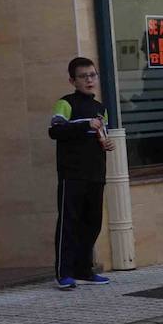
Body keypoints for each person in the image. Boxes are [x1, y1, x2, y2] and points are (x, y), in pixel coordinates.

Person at [48, 57, 115, 290]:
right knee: (69, 223)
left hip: (96, 173)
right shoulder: (65, 103)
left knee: (92, 223)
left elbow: (100, 134)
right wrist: (84, 125)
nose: (89, 79)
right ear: (72, 80)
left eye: (92, 75)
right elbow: (55, 131)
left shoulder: (100, 108)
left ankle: (84, 270)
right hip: (72, 174)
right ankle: (63, 273)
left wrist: (105, 143)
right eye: (84, 76)